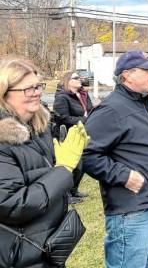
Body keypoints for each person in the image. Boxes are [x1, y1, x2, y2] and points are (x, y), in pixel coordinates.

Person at [83, 50, 148, 268]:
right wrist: (123, 176)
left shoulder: (138, 104)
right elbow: (85, 154)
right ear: (127, 75)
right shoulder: (111, 109)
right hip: (131, 210)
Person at [0, 56, 89, 268]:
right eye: (28, 89)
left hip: (46, 245)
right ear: (4, 94)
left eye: (38, 85)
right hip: (18, 253)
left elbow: (61, 184)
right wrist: (63, 169)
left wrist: (74, 162)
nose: (37, 92)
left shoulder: (39, 127)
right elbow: (12, 205)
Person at [53, 70, 94, 202]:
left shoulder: (83, 94)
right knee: (72, 166)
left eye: (79, 77)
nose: (80, 79)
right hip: (67, 135)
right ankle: (66, 195)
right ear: (68, 81)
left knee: (82, 165)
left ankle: (74, 190)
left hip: (82, 133)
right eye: (76, 78)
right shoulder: (62, 97)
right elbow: (61, 117)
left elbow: (90, 110)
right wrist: (83, 119)